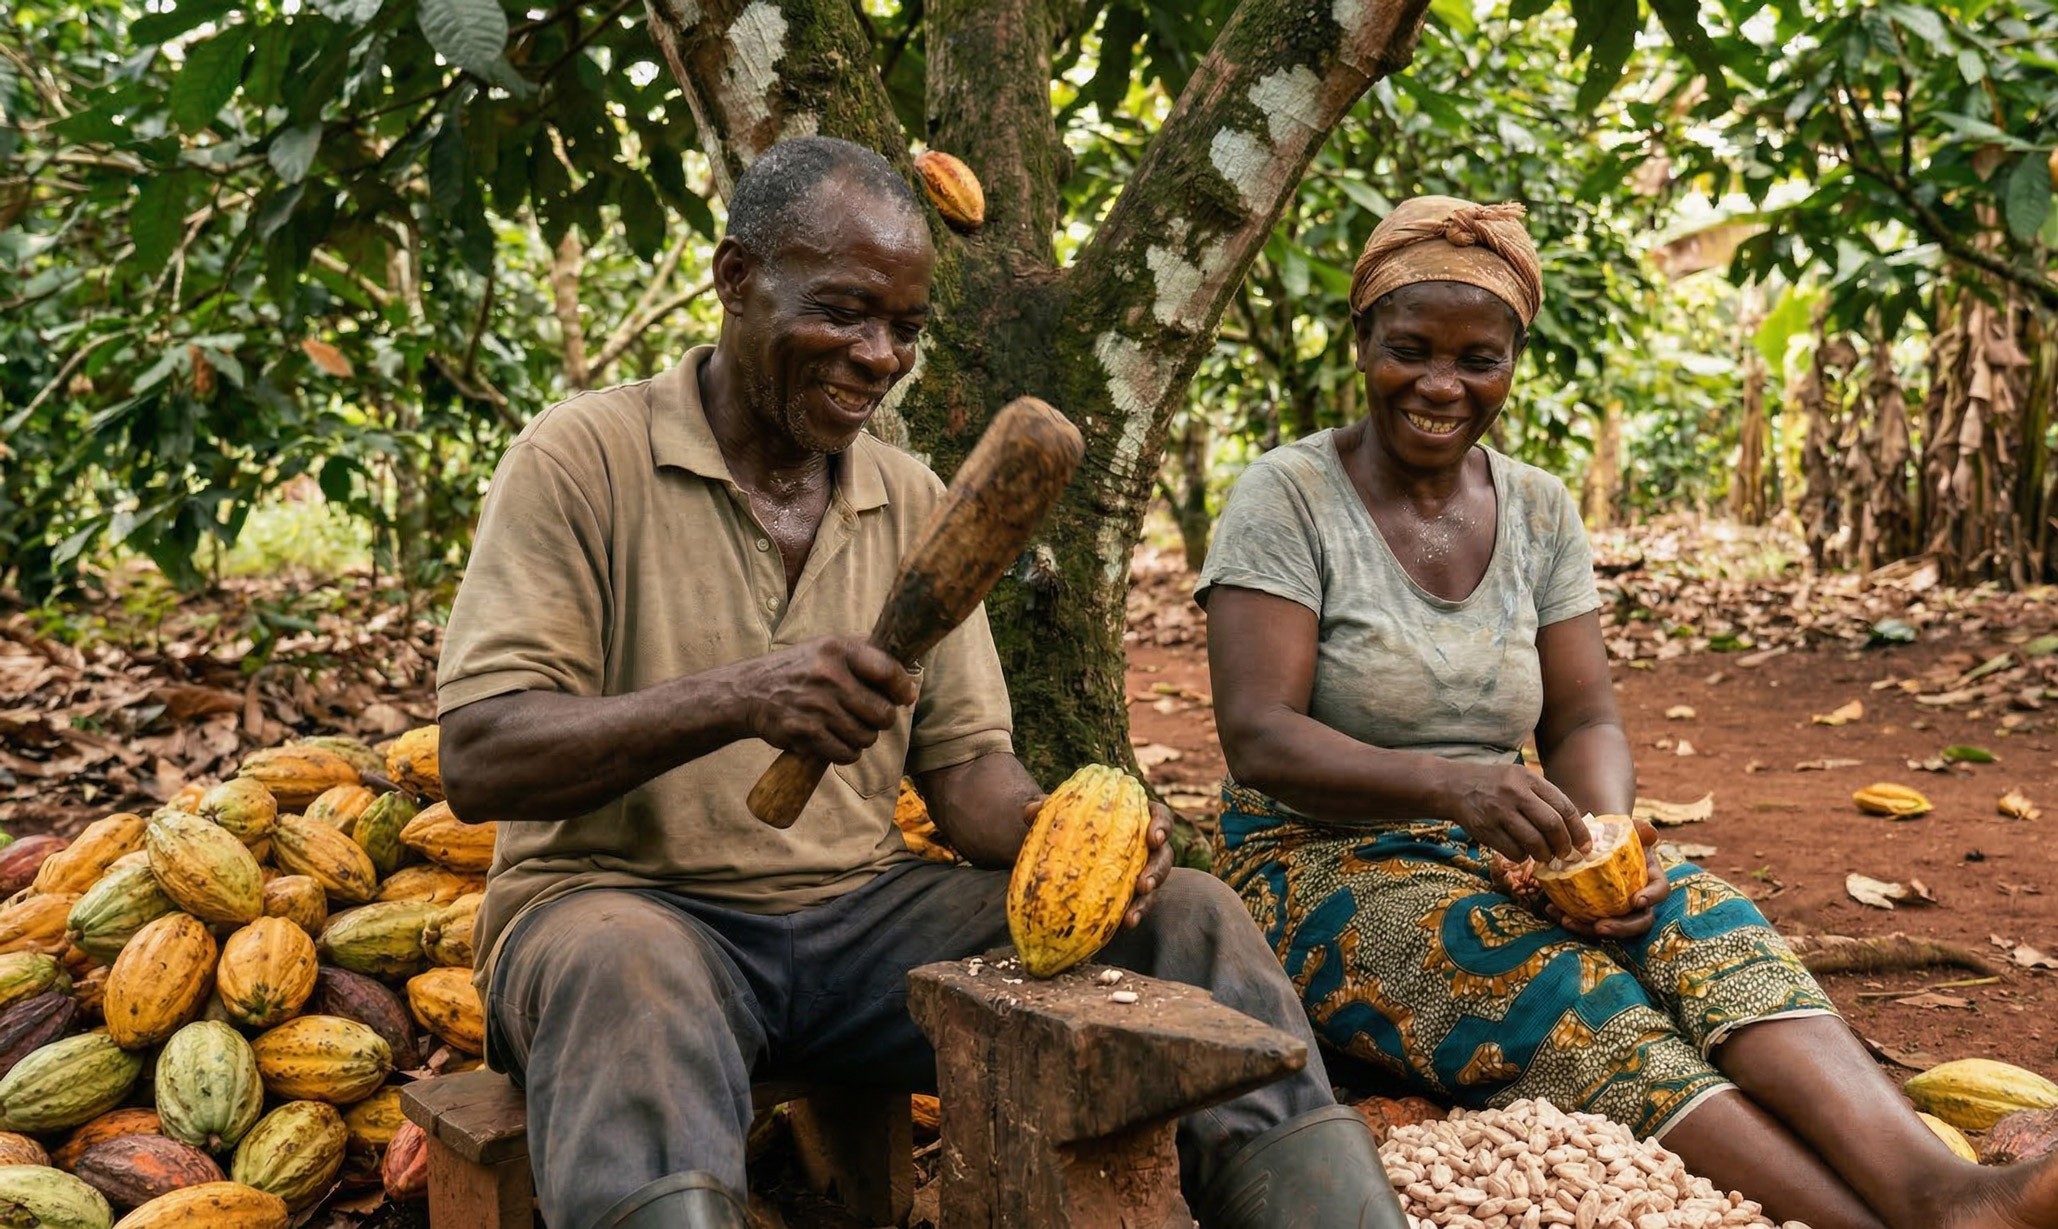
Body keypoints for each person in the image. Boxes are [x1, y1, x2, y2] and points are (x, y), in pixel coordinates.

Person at [434, 135, 1407, 1229]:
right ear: (735, 278)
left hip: (860, 922)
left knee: (1190, 919)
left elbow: (967, 771)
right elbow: (480, 756)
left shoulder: (910, 496)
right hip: (620, 906)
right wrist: (741, 695)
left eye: (904, 328)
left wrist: (1068, 838)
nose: (879, 356)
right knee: (627, 972)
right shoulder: (581, 459)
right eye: (845, 312)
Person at [1197, 194, 2058, 1229]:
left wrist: (1604, 847)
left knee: (1708, 924)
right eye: (1410, 349)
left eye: (1478, 359)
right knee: (1571, 994)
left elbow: (1585, 715)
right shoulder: (1285, 495)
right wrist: (1456, 786)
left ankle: (1947, 1194)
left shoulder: (1539, 506)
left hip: (1508, 829)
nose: (1440, 384)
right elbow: (1259, 733)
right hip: (1312, 854)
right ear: (1362, 342)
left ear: (1514, 362)